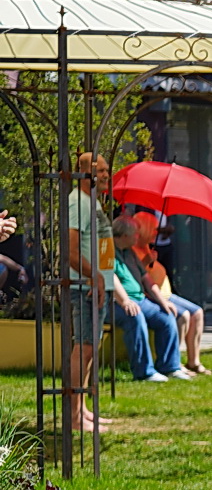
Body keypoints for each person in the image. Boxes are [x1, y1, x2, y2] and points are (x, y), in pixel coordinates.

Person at [66, 155, 115, 433]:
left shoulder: (93, 201)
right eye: (99, 171)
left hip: (97, 286)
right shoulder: (77, 203)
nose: (106, 175)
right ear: (83, 173)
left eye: (107, 170)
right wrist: (93, 277)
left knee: (89, 350)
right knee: (82, 349)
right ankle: (74, 417)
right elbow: (71, 252)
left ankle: (82, 410)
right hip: (85, 288)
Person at [110, 215, 190, 382]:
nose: (137, 237)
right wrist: (125, 301)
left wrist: (163, 302)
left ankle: (170, 366)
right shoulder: (108, 251)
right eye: (135, 234)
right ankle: (144, 371)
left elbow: (147, 279)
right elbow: (109, 277)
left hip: (140, 299)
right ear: (124, 236)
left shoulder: (130, 252)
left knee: (166, 316)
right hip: (116, 302)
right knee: (135, 317)